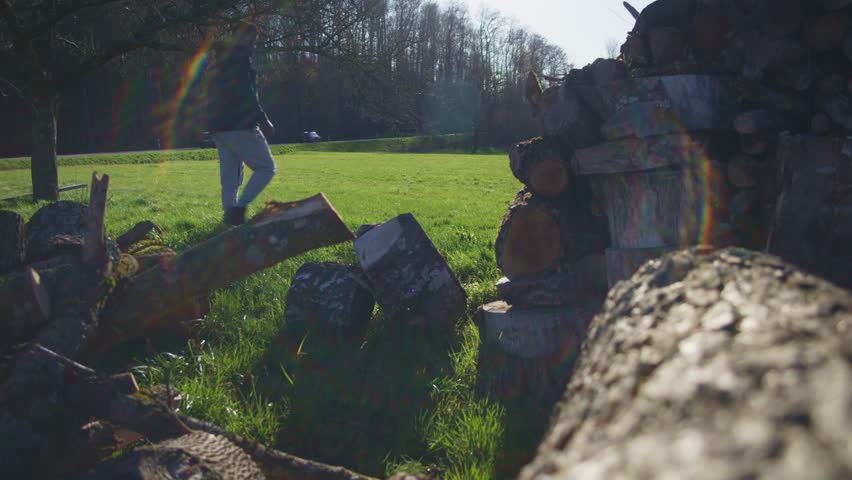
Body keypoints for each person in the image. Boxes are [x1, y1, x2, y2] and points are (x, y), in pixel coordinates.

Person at [207, 21, 276, 226]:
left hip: (219, 127)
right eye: (252, 38)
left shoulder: (219, 61)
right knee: (267, 168)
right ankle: (239, 209)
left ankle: (230, 223)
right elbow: (247, 94)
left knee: (230, 178)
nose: (254, 43)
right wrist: (264, 119)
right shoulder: (240, 59)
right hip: (241, 125)